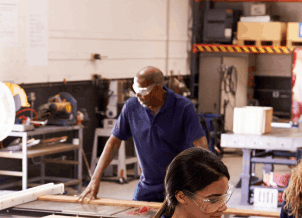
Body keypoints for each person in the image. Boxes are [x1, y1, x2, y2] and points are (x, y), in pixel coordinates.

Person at [78, 66, 208, 203]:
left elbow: (200, 145)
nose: (137, 95)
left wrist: (204, 183)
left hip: (179, 186)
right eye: (135, 90)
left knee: (174, 216)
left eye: (142, 91)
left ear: (157, 89)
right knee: (133, 215)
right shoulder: (132, 106)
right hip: (147, 186)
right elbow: (113, 143)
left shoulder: (183, 107)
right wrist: (95, 179)